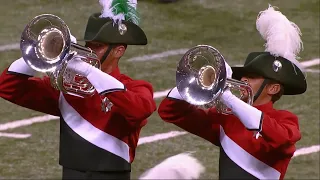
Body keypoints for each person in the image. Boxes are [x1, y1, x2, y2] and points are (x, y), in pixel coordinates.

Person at [0, 0, 156, 179]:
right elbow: (7, 86)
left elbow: (139, 110)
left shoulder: (136, 87)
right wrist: (43, 51)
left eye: (97, 46)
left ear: (118, 51)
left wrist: (88, 71)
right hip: (71, 173)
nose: (89, 50)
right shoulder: (67, 85)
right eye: (88, 44)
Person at [158, 5, 307, 180]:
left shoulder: (285, 121)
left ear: (273, 88)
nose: (243, 80)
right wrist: (197, 81)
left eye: (252, 77)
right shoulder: (227, 118)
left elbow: (279, 138)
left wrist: (227, 96)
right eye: (244, 76)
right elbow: (169, 111)